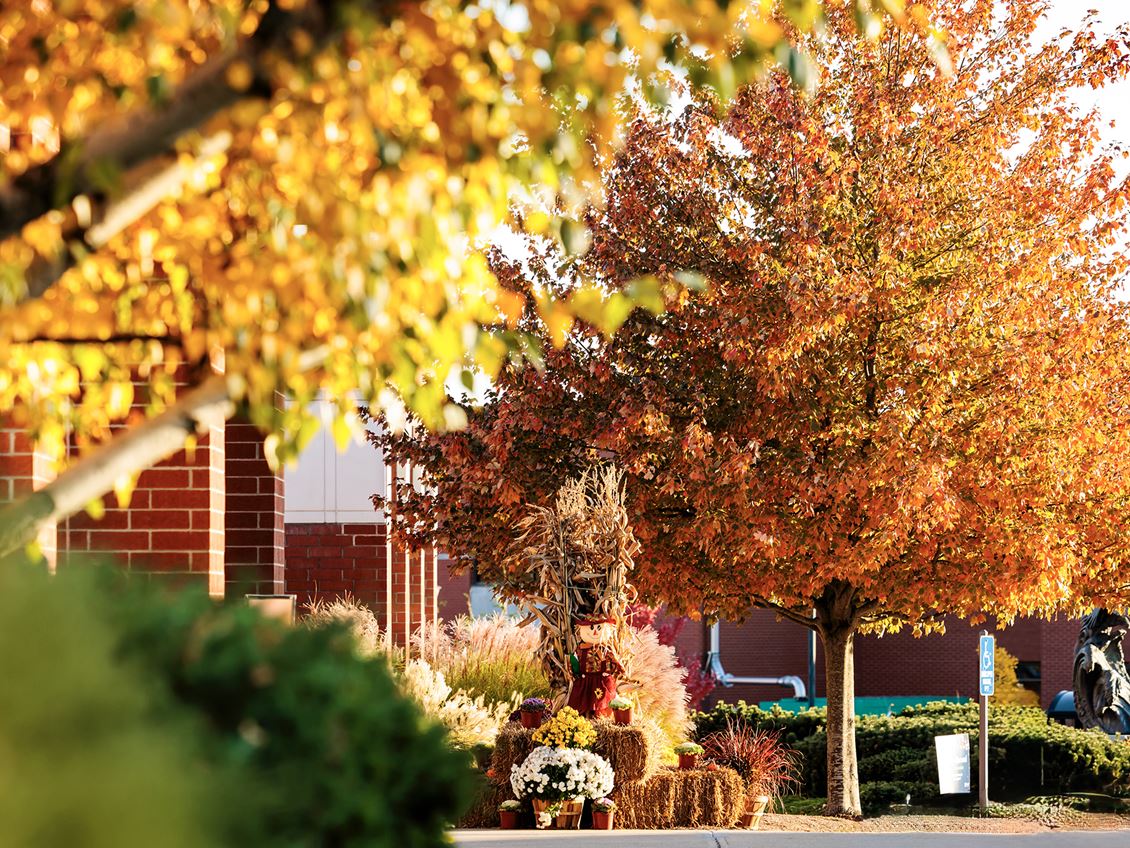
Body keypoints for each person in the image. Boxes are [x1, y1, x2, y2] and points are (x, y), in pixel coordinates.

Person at [566, 615, 625, 718]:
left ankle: (600, 720)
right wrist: (571, 673)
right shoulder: (580, 649)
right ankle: (581, 721)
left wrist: (619, 672)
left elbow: (616, 662)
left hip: (602, 681)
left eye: (598, 628)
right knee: (581, 703)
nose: (594, 632)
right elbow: (573, 662)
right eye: (591, 628)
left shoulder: (606, 650)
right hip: (585, 681)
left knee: (601, 705)